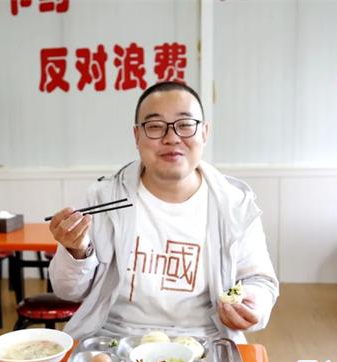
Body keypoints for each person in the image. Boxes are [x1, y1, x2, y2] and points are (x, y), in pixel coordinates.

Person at [48, 81, 278, 343]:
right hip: (115, 339)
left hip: (206, 340)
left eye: (185, 124)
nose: (172, 138)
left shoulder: (234, 204)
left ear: (204, 133)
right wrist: (76, 251)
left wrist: (252, 303)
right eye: (155, 126)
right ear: (137, 136)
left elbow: (260, 281)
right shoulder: (104, 197)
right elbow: (67, 291)